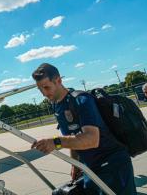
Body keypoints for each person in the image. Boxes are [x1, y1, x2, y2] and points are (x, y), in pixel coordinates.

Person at [31, 63, 136, 194]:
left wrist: (55, 142)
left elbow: (92, 139)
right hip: (89, 168)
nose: (44, 93)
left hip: (113, 166)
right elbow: (72, 136)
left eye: (47, 87)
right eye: (40, 89)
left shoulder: (82, 100)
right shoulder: (57, 106)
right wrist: (75, 165)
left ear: (58, 80)